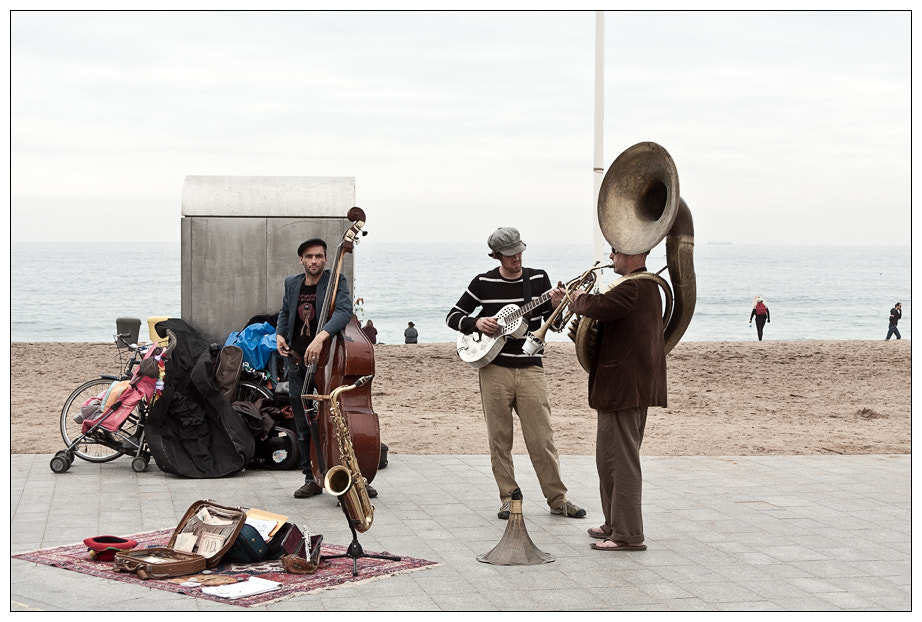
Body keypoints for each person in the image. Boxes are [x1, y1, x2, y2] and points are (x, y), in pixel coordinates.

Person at [446, 226, 586, 521]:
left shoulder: (538, 279)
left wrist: (556, 305)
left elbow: (555, 326)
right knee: (499, 437)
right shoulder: (482, 282)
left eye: (519, 252)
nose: (517, 258)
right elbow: (453, 316)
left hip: (531, 368)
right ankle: (508, 498)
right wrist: (476, 323)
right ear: (496, 255)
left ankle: (558, 499)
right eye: (510, 255)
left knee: (542, 438)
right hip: (493, 369)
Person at [551, 247, 666, 551]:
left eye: (615, 252)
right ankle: (614, 523)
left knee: (622, 461)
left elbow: (600, 307)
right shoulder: (637, 286)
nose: (611, 257)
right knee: (608, 460)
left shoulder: (637, 286)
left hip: (625, 388)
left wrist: (577, 299)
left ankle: (628, 534)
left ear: (632, 252)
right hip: (618, 388)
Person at [276, 238, 355, 499]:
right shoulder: (292, 283)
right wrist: (280, 335)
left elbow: (344, 312)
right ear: (301, 259)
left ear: (324, 259)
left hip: (325, 363)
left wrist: (320, 338)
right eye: (309, 256)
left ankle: (349, 474)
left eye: (319, 256)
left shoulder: (335, 281)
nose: (314, 261)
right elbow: (285, 311)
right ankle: (311, 478)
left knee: (334, 420)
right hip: (297, 361)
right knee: (302, 423)